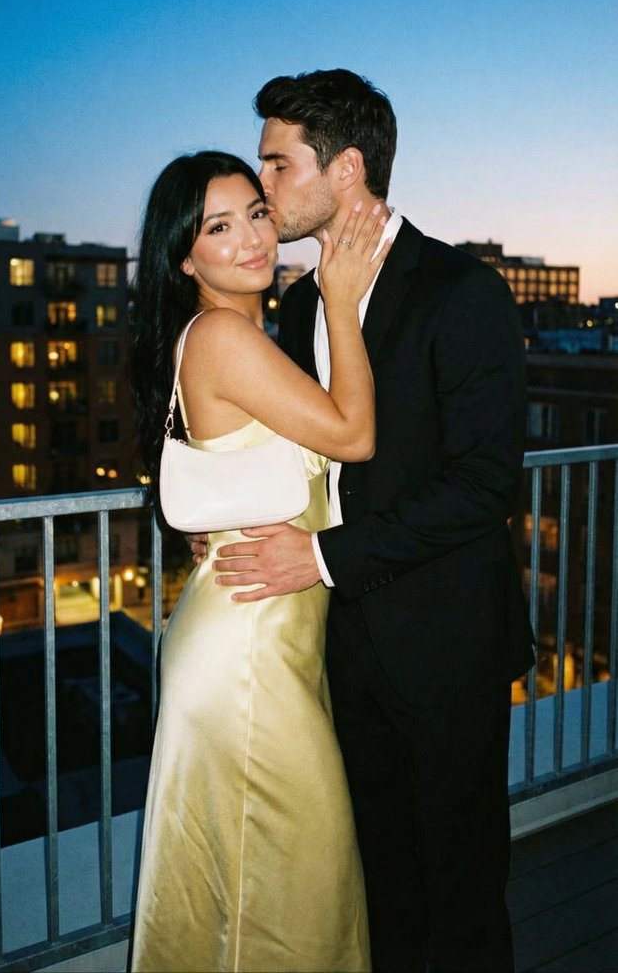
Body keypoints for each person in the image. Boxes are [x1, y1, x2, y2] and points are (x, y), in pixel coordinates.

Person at [210, 71, 536, 973]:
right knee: (380, 892)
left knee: (464, 899)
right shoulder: (296, 305)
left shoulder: (461, 289)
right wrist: (220, 517)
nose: (263, 184)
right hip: (341, 653)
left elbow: (483, 484)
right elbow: (298, 456)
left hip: (446, 651)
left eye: (279, 165)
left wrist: (322, 557)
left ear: (346, 168)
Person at [128, 150, 392, 973]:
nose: (249, 239)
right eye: (218, 227)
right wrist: (340, 301)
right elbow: (353, 435)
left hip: (264, 632)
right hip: (246, 650)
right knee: (295, 879)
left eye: (254, 213)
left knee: (270, 879)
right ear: (184, 258)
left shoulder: (239, 335)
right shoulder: (220, 336)